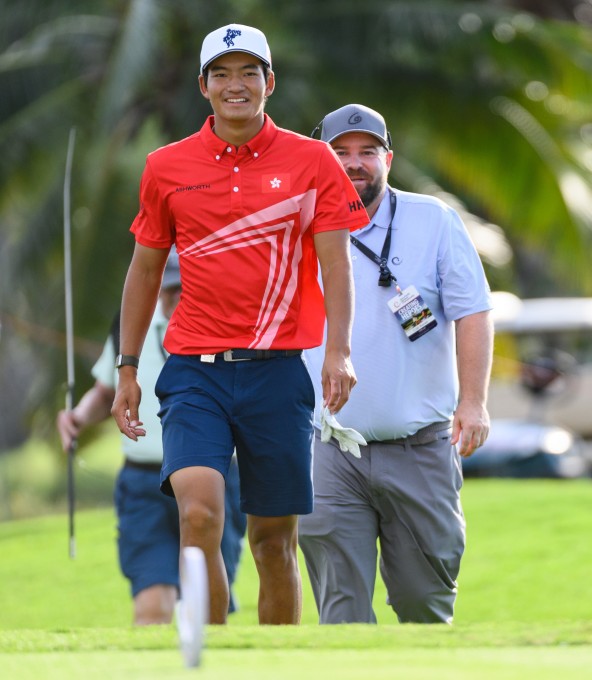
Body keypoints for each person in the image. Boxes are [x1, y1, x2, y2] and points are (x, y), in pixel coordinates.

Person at [111, 24, 368, 625]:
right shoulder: (165, 167)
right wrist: (127, 367)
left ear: (269, 83)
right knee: (198, 516)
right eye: (222, 74)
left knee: (273, 542)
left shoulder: (312, 161)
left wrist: (339, 351)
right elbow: (145, 271)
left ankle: (272, 664)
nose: (236, 85)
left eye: (249, 72)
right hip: (193, 373)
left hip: (278, 374)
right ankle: (216, 657)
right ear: (204, 86)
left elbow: (335, 261)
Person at [299, 103, 493, 624]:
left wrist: (473, 403)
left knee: (423, 604)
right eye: (340, 153)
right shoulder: (297, 224)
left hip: (419, 446)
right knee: (341, 611)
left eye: (367, 152)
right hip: (328, 449)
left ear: (389, 158)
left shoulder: (433, 220)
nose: (354, 163)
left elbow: (472, 312)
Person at [57, 251, 247, 625]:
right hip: (144, 482)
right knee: (152, 606)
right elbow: (105, 391)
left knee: (209, 608)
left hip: (213, 479)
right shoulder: (130, 324)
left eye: (183, 286)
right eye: (168, 287)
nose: (175, 296)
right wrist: (78, 417)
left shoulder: (229, 320)